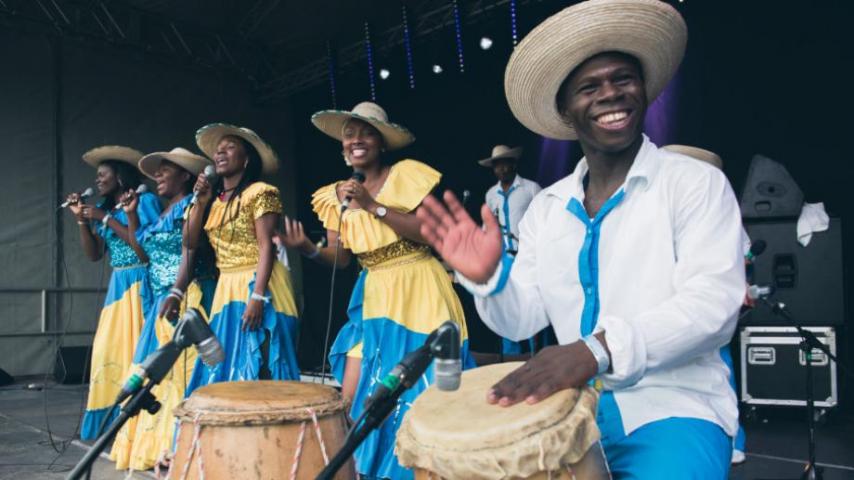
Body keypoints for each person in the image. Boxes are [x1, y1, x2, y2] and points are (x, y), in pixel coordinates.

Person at [417, 1, 744, 478]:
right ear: (565, 111)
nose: (610, 94)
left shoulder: (694, 183)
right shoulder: (547, 209)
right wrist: (488, 278)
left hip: (673, 409)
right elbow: (520, 318)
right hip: (569, 412)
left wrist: (595, 350)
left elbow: (713, 306)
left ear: (645, 90)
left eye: (623, 79)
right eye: (589, 87)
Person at [280, 101, 475, 479]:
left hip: (419, 286)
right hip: (373, 293)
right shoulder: (332, 195)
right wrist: (308, 249)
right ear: (342, 147)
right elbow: (340, 259)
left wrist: (372, 205)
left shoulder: (408, 176)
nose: (357, 139)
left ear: (382, 143)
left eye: (366, 132)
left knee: (423, 391)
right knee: (354, 397)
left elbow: (429, 232)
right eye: (349, 134)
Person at [109, 148, 216, 470]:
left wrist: (176, 290)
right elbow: (145, 255)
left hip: (185, 295)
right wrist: (130, 215)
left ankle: (180, 447)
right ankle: (156, 447)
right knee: (157, 372)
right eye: (156, 171)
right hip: (160, 298)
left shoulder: (190, 206)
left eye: (164, 170)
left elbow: (190, 247)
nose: (157, 176)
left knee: (180, 372)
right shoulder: (163, 213)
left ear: (185, 175)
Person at [184, 124, 300, 392]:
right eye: (218, 149)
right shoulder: (212, 203)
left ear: (246, 159)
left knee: (263, 364)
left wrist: (257, 297)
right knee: (227, 367)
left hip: (261, 284)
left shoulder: (260, 192)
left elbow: (266, 246)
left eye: (230, 147)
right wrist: (200, 202)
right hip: (227, 289)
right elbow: (189, 243)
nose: (220, 152)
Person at [65, 146, 161, 440]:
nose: (97, 181)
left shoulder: (145, 201)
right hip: (118, 287)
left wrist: (105, 219)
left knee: (137, 354)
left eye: (103, 175)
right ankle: (110, 422)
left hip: (142, 281)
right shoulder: (106, 209)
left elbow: (144, 246)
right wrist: (83, 219)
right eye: (96, 176)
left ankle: (139, 428)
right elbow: (94, 254)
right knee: (108, 351)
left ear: (120, 176)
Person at [662, 144, 749, 465]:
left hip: (709, 309)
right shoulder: (664, 210)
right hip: (674, 309)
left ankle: (734, 438)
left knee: (720, 370)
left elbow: (744, 253)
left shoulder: (717, 206)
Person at [480, 144, 543, 356]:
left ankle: (537, 356)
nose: (502, 169)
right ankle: (511, 361)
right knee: (507, 307)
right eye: (497, 166)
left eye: (506, 164)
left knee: (532, 304)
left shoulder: (531, 188)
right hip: (503, 259)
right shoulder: (491, 194)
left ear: (514, 164)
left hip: (527, 256)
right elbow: (487, 225)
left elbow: (545, 221)